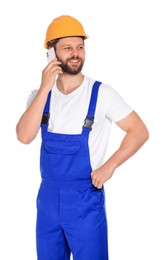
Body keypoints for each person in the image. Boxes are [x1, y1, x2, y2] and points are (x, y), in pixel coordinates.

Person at [16, 15, 149, 260]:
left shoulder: (102, 93)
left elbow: (139, 131)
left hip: (85, 200)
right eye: (67, 48)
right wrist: (45, 87)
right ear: (51, 53)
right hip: (47, 203)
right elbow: (24, 136)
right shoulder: (39, 97)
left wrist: (110, 165)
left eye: (80, 47)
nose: (75, 53)